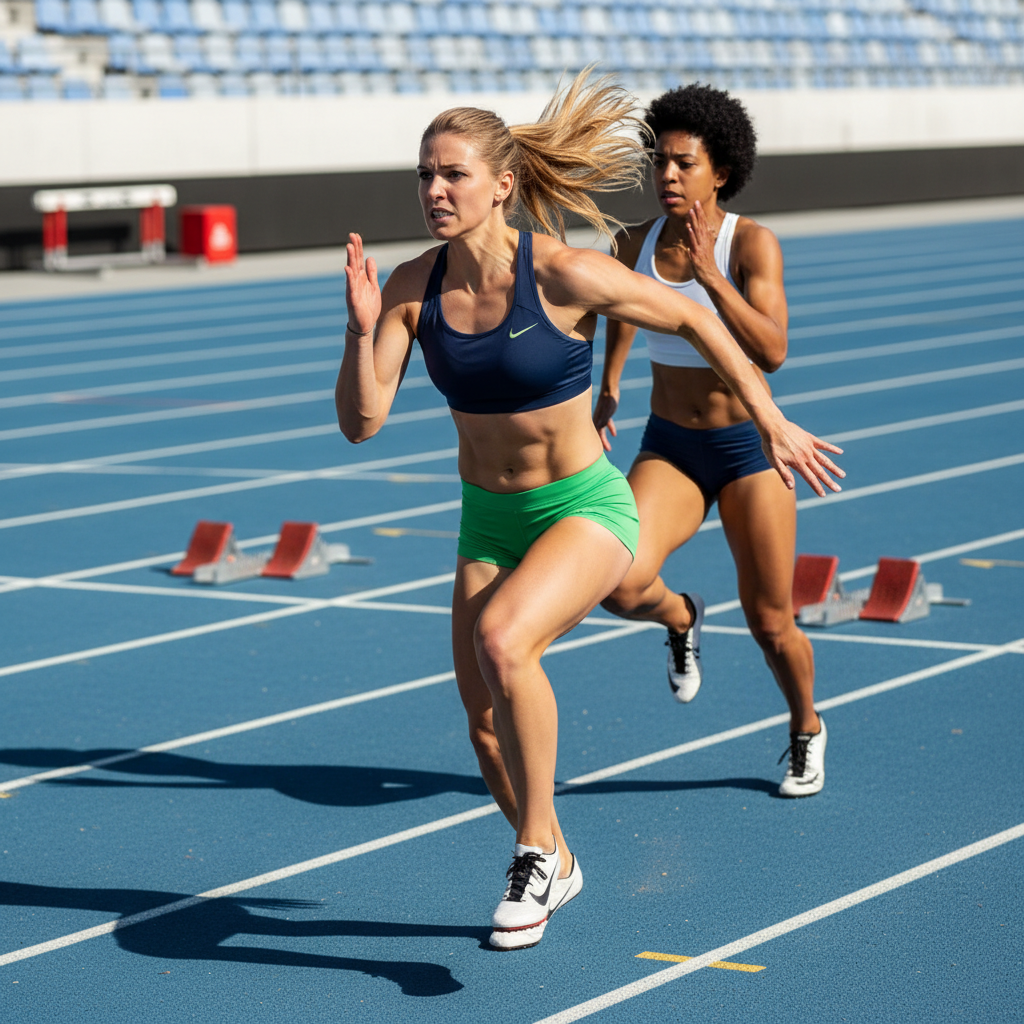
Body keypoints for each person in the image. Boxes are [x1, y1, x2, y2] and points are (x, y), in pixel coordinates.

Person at [336, 71, 842, 951]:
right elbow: (362, 423)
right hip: (486, 521)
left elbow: (692, 320)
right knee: (484, 728)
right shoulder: (413, 287)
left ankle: (532, 849)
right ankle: (560, 862)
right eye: (423, 175)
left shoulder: (564, 270)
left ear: (501, 184)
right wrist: (357, 328)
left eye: (452, 174)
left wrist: (773, 419)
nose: (433, 191)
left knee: (505, 641)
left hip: (585, 504)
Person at [593, 83, 834, 798]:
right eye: (659, 162)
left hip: (747, 452)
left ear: (720, 170)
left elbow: (773, 349)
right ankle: (683, 615)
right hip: (670, 445)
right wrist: (609, 384)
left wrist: (709, 279)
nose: (667, 175)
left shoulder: (751, 243)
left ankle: (805, 727)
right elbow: (620, 310)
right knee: (618, 578)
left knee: (770, 621)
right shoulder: (630, 242)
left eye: (684, 163)